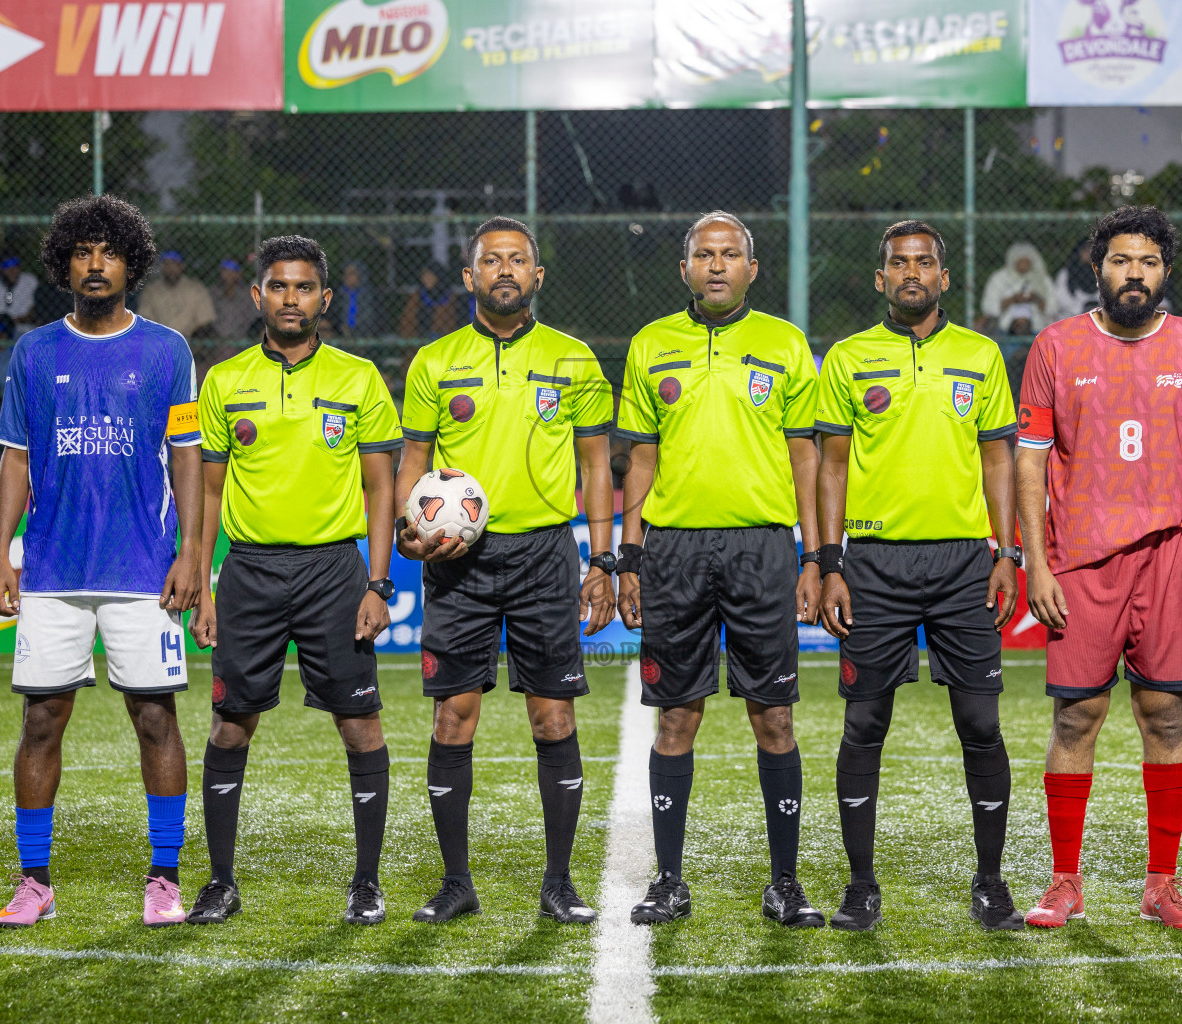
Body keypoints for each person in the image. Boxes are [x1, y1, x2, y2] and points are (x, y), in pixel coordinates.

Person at [0, 194, 203, 929]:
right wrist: (0, 556)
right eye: (82, 251)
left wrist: (191, 558)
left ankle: (165, 877)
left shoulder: (169, 351)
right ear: (64, 264)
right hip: (51, 571)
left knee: (154, 718)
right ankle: (34, 881)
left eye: (109, 251)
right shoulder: (34, 352)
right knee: (41, 721)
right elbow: (15, 460)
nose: (96, 263)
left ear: (132, 262)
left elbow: (188, 461)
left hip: (143, 571)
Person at [1016, 205, 1182, 931]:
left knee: (1165, 714)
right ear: (1098, 267)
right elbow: (1031, 460)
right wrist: (1036, 562)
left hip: (1172, 554)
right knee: (1076, 714)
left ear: (1164, 270)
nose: (1132, 273)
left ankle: (1161, 885)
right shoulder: (1055, 347)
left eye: (1145, 261)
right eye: (1119, 260)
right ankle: (1064, 882)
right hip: (1080, 560)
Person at [396, 216, 616, 924]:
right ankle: (456, 884)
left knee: (552, 717)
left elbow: (595, 467)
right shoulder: (433, 361)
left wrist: (603, 559)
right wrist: (409, 528)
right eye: (491, 260)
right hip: (460, 563)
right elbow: (412, 464)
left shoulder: (575, 359)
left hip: (546, 554)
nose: (505, 270)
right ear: (469, 277)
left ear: (538, 275)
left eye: (518, 260)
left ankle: (559, 884)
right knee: (453, 717)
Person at [184, 236, 403, 928]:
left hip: (335, 573)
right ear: (257, 297)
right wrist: (206, 582)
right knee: (229, 726)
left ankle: (366, 883)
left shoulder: (359, 378)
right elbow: (210, 495)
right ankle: (221, 882)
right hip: (249, 572)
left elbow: (380, 488)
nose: (290, 299)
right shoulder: (222, 381)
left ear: (324, 299)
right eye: (277, 287)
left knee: (360, 726)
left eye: (304, 288)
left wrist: (378, 583)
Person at [614, 211, 824, 928]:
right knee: (677, 716)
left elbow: (805, 457)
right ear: (684, 268)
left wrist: (814, 556)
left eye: (730, 253)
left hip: (763, 548)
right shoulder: (650, 345)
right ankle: (668, 880)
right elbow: (639, 457)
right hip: (673, 552)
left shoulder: (786, 344)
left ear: (751, 269)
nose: (715, 264)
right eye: (703, 253)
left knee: (774, 716)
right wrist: (631, 555)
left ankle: (786, 883)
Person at [814, 220, 1025, 933]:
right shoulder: (846, 358)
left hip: (965, 563)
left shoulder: (980, 354)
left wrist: (1007, 551)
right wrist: (832, 562)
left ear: (943, 277)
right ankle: (861, 886)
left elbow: (998, 459)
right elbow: (832, 465)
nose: (912, 272)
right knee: (865, 722)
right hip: (874, 565)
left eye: (924, 262)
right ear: (880, 279)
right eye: (899, 263)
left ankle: (990, 881)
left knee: (980, 723)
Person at [981, 242, 1055, 334]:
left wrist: (1036, 298)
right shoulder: (999, 277)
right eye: (1020, 261)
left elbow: (1053, 308)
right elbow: (989, 308)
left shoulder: (1042, 279)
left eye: (1026, 261)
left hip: (1037, 329)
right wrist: (1012, 299)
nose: (1023, 265)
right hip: (1004, 328)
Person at [139, 250, 216, 339]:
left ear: (182, 266)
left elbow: (205, 320)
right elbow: (145, 317)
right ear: (162, 267)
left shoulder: (196, 288)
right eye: (167, 264)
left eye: (174, 264)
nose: (170, 269)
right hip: (159, 340)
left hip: (189, 342)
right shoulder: (151, 290)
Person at [0, 254, 39, 337]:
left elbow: (33, 311)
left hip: (25, 330)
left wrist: (12, 322)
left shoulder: (30, 281)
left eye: (15, 266)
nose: (13, 271)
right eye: (8, 267)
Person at [398, 261, 457, 339]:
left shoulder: (449, 295)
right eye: (424, 276)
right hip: (419, 335)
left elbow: (450, 321)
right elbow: (407, 318)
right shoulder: (418, 294)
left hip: (442, 336)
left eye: (430, 276)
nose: (426, 279)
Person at [206, 258, 259, 342]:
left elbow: (251, 317)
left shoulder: (247, 293)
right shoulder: (213, 292)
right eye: (225, 271)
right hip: (216, 338)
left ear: (239, 273)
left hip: (241, 337)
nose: (229, 274)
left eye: (233, 271)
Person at [1052, 237, 1099, 320]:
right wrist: (1080, 310)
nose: (1090, 253)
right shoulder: (1066, 273)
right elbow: (1061, 297)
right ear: (1079, 252)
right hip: (1072, 316)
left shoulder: (1102, 272)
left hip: (1098, 316)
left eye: (1093, 250)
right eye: (1086, 250)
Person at [332, 260, 381, 338]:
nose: (347, 277)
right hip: (341, 332)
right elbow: (334, 314)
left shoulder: (367, 293)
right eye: (346, 274)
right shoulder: (339, 293)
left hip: (364, 331)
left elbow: (370, 315)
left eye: (351, 274)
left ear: (360, 275)